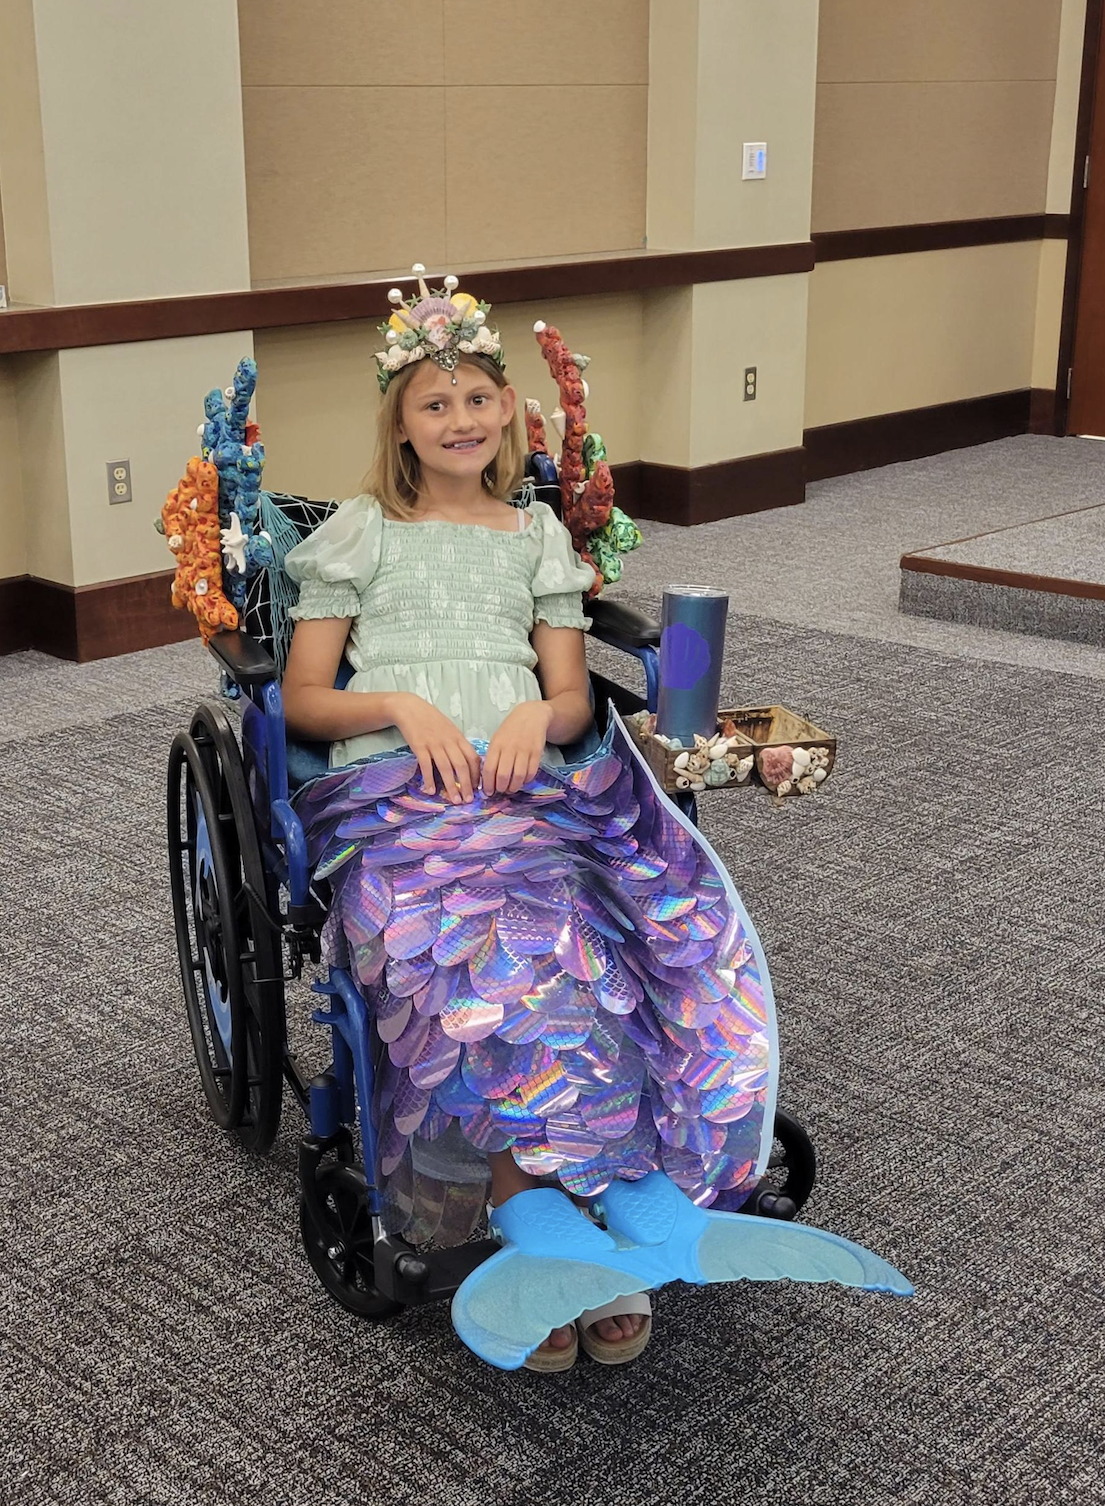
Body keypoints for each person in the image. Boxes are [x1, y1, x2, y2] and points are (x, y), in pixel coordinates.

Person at [281, 271, 767, 1371]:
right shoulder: (363, 533)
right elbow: (303, 700)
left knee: (594, 932)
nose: (460, 419)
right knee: (471, 945)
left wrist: (534, 716)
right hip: (397, 792)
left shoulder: (533, 534)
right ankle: (526, 1206)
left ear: (506, 409)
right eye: (434, 403)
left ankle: (617, 1187)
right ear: (401, 425)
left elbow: (573, 700)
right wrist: (400, 706)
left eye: (476, 399)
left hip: (524, 784)